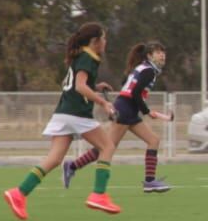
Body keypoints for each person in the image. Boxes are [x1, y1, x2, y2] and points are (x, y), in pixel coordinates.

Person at [3, 22, 121, 218]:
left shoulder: (81, 56)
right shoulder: (88, 57)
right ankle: (98, 195)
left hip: (63, 112)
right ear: (95, 41)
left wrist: (95, 85)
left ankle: (19, 193)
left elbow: (73, 83)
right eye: (104, 38)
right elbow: (79, 87)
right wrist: (103, 103)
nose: (106, 41)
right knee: (107, 147)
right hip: (76, 113)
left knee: (55, 159)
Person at [64, 41, 174, 194]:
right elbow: (135, 93)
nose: (162, 55)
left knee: (153, 140)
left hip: (128, 109)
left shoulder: (142, 67)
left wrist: (141, 109)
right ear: (149, 55)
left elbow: (125, 83)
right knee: (106, 147)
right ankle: (72, 166)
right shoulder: (149, 71)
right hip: (126, 110)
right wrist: (147, 111)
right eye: (158, 52)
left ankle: (149, 181)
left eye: (163, 52)